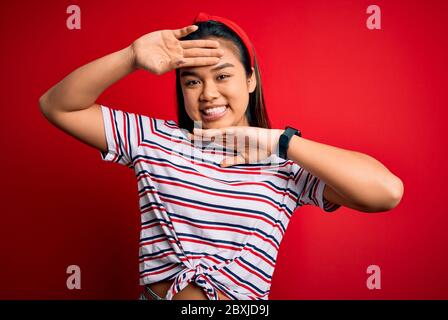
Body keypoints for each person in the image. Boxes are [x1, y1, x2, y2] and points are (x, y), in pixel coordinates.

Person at [38, 12, 404, 300]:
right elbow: (57, 107)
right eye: (192, 81)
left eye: (222, 76)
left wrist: (280, 143)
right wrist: (131, 57)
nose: (208, 93)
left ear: (250, 79)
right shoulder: (152, 139)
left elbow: (386, 192)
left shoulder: (285, 164)